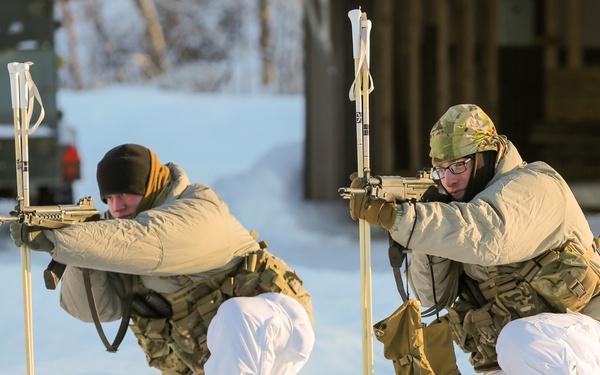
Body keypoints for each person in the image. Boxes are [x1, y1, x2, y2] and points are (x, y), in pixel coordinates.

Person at [11, 143, 315, 375]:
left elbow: (151, 241)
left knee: (237, 316)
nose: (117, 207)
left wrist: (65, 240)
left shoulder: (197, 207)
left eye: (127, 194)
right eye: (109, 198)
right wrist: (79, 247)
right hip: (216, 358)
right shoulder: (111, 234)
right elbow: (92, 309)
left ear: (151, 186)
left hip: (279, 325)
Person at [348, 104, 600, 374]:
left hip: (581, 336)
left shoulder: (536, 184)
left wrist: (404, 219)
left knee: (520, 340)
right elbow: (431, 296)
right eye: (441, 170)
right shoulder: (460, 209)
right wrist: (428, 226)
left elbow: (488, 236)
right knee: (517, 343)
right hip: (518, 358)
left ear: (487, 157)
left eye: (458, 166)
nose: (449, 181)